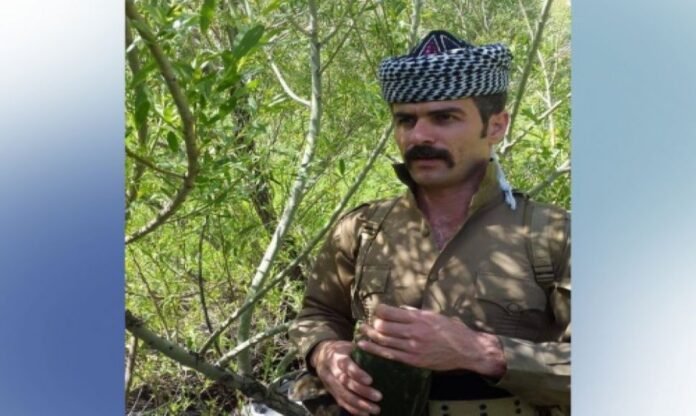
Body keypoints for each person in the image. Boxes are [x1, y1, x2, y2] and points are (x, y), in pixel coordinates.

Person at [289, 30, 570, 416]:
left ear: (496, 126)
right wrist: (325, 353)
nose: (419, 135)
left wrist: (481, 352)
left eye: (444, 118)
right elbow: (318, 314)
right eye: (405, 120)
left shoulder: (556, 235)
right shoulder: (362, 229)